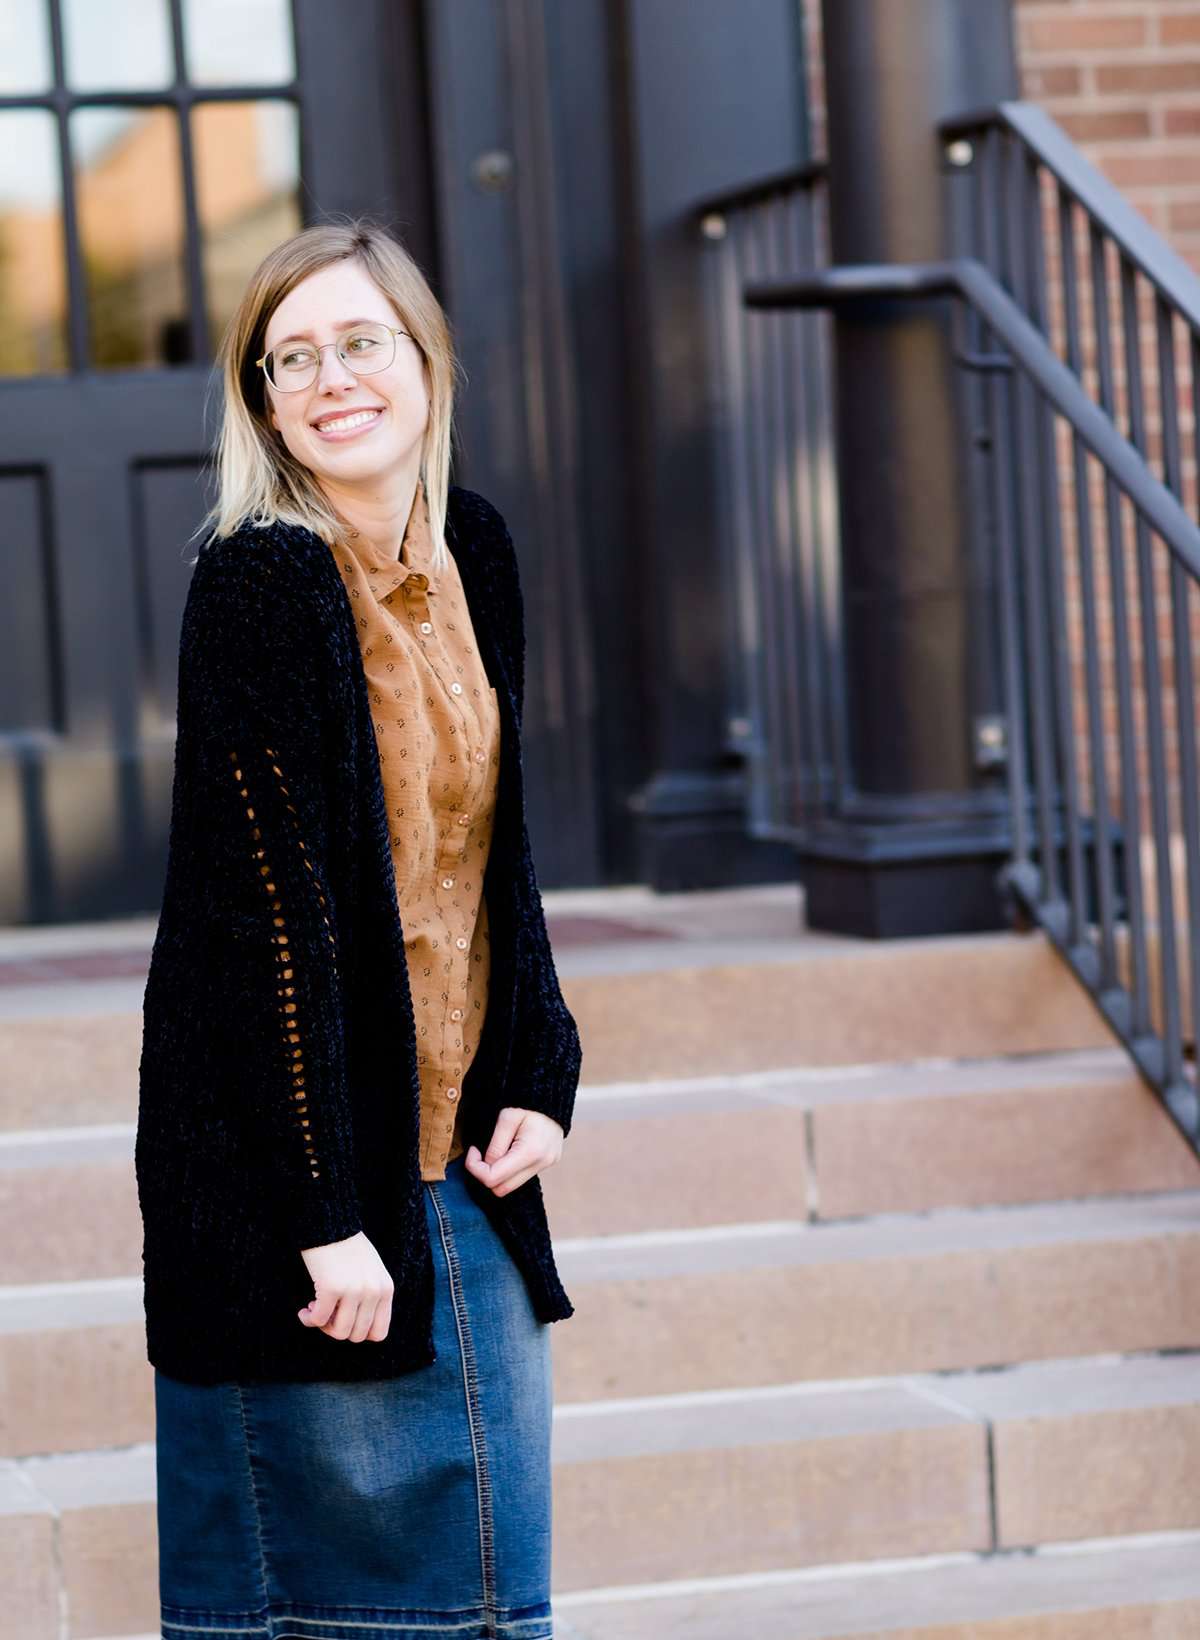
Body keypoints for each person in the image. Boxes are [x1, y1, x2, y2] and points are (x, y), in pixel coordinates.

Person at [135, 218, 583, 1640]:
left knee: (493, 1602)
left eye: (360, 341)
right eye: (292, 358)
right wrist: (322, 1216)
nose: (331, 377)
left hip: (451, 1156)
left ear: (426, 361)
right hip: (307, 1179)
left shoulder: (474, 553)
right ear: (264, 402)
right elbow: (263, 919)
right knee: (369, 1614)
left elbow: (488, 855)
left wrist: (544, 1064)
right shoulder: (262, 580)